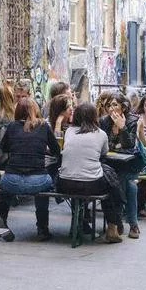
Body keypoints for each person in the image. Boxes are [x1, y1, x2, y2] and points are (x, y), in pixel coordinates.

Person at [0, 98, 61, 241]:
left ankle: (1, 216)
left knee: (4, 185)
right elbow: (57, 150)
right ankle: (42, 228)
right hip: (37, 181)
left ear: (18, 111)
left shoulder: (12, 126)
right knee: (43, 190)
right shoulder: (43, 126)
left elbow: (4, 148)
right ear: (35, 110)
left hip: (12, 180)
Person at [58, 103, 124, 244]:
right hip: (91, 185)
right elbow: (104, 153)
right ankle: (112, 226)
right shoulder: (101, 134)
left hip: (64, 183)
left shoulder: (69, 131)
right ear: (94, 117)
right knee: (111, 183)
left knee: (101, 177)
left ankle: (83, 222)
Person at [99, 92, 141, 239]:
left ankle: (121, 222)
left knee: (126, 183)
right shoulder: (104, 122)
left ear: (123, 108)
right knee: (129, 186)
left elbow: (129, 147)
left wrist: (122, 128)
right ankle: (127, 223)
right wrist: (116, 145)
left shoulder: (131, 121)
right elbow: (104, 146)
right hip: (109, 165)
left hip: (128, 165)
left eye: (115, 105)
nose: (111, 108)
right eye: (109, 105)